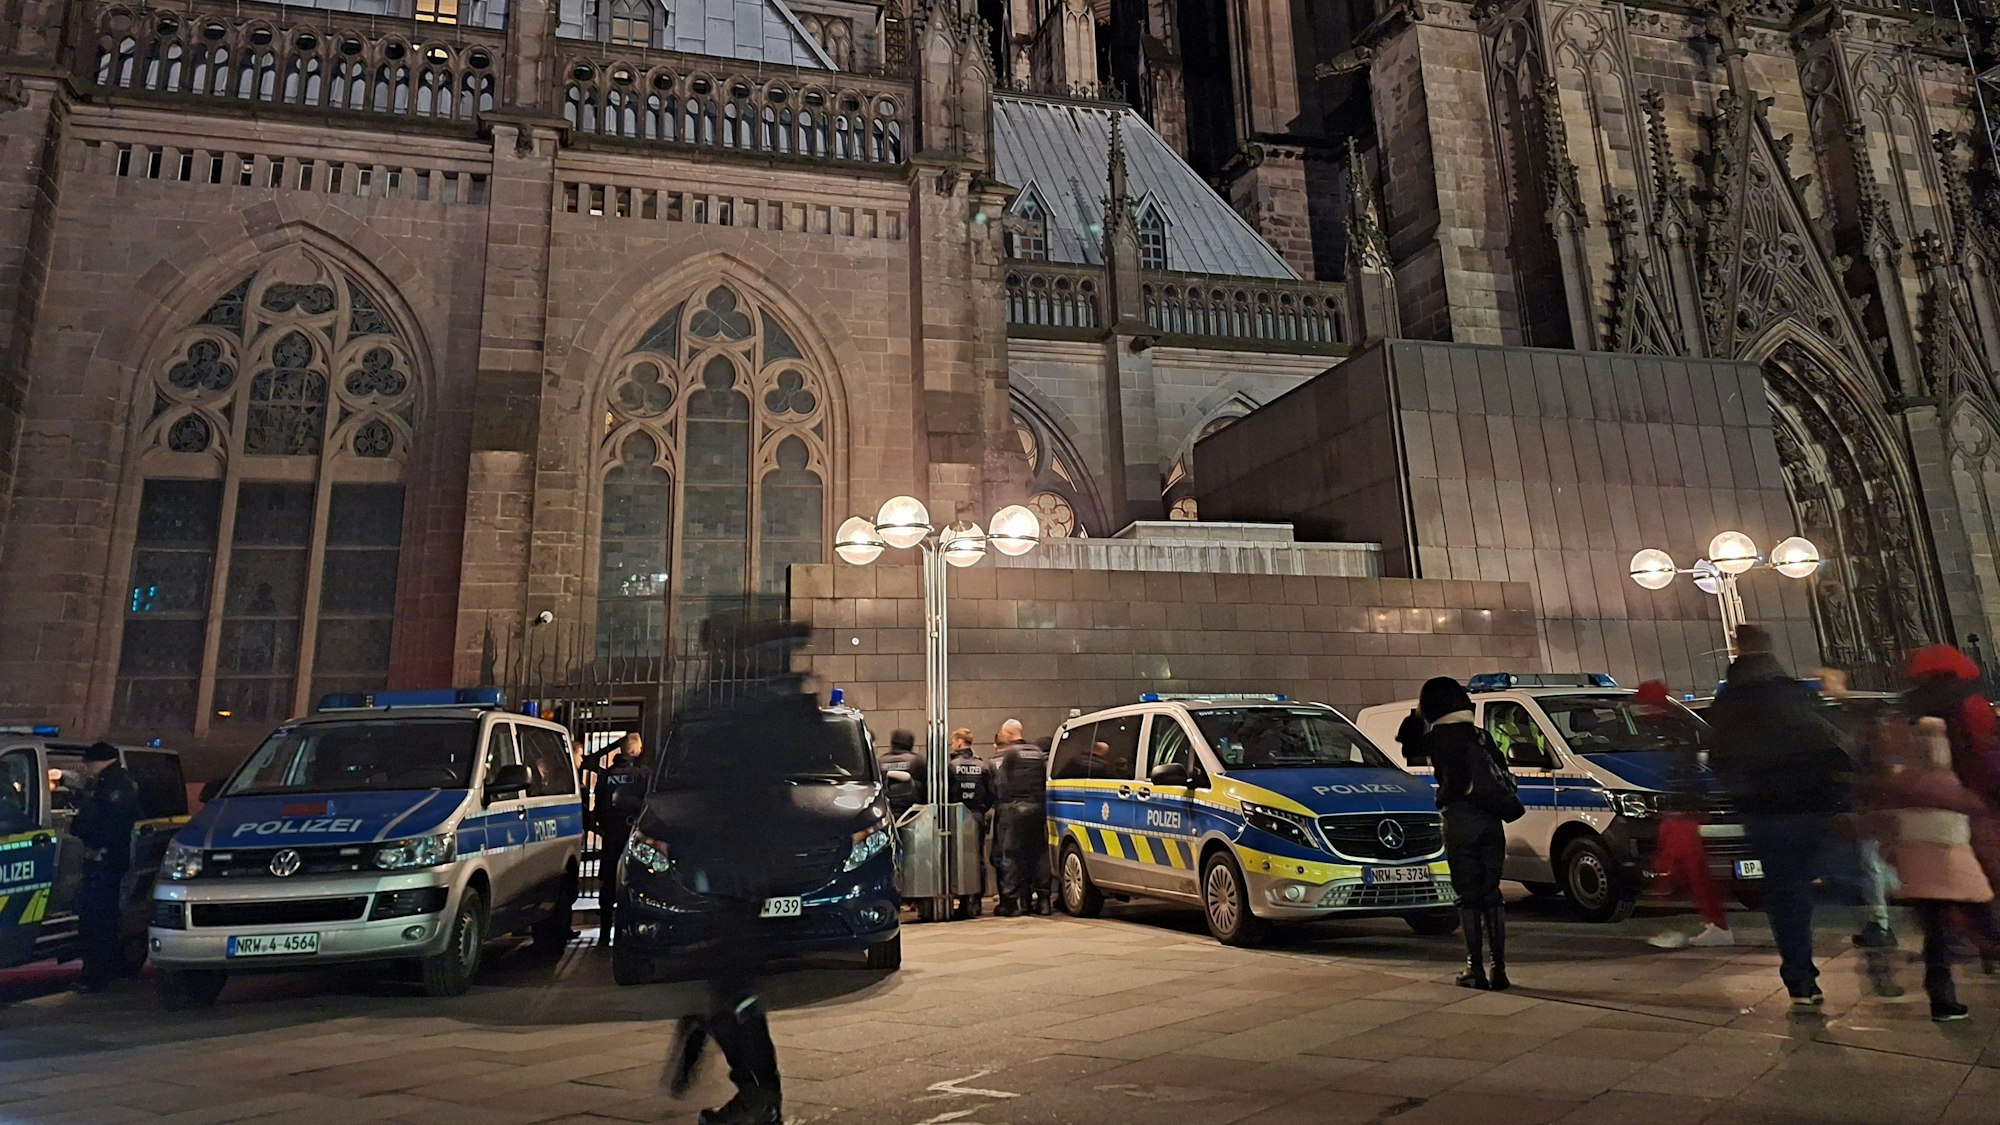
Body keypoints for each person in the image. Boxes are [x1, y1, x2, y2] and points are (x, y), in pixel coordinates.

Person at [661, 615, 837, 1125]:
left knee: (735, 993)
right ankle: (753, 1090)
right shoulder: (747, 705)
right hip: (732, 867)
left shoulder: (760, 708)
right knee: (731, 989)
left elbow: (751, 786)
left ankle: (758, 1097)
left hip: (742, 868)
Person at [1707, 624, 1851, 1007]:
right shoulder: (1794, 694)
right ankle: (1874, 928)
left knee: (1785, 891)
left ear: (1738, 652)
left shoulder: (1729, 703)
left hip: (1765, 810)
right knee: (1829, 875)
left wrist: (1742, 790)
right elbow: (1831, 742)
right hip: (1811, 803)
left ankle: (1801, 977)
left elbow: (1718, 757)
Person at [1871, 715, 1993, 1021]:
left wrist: (1893, 854)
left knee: (1936, 934)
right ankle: (1943, 994)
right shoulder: (1950, 778)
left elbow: (1888, 824)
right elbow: (1974, 807)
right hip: (1951, 861)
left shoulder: (1903, 779)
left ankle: (1941, 996)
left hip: (1916, 866)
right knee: (1985, 921)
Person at [1905, 644, 2000, 972]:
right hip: (1972, 799)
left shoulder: (1912, 709)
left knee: (1942, 883)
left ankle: (1948, 950)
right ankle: (1989, 941)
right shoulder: (1970, 705)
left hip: (1929, 806)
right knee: (1983, 874)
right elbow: (1986, 755)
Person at [1416, 677, 1513, 990]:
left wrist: (1441, 797)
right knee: (1492, 894)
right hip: (1492, 820)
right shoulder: (1481, 736)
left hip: (1461, 821)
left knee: (1467, 897)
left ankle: (1474, 968)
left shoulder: (1438, 738)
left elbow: (1451, 784)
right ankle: (1499, 969)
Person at [1638, 680, 1733, 950]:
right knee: (1683, 869)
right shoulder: (1678, 727)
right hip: (1685, 809)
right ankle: (1713, 924)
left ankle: (1716, 925)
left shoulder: (1664, 732)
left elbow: (1677, 771)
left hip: (1682, 811)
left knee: (1685, 869)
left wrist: (1676, 804)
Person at [70, 742, 140, 992]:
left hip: (105, 863)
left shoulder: (114, 786)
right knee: (101, 920)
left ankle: (95, 977)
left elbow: (99, 823)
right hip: (107, 862)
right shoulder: (113, 783)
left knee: (96, 921)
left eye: (88, 763)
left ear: (100, 761)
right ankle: (101, 972)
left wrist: (79, 825)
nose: (86, 768)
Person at [592, 733, 650, 948]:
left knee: (608, 883)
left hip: (610, 836)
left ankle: (604, 934)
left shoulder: (606, 776)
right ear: (635, 751)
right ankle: (629, 933)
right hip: (633, 835)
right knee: (635, 881)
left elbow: (598, 808)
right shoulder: (642, 775)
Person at [991, 722, 1049, 917]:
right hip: (1038, 808)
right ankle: (1043, 902)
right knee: (1039, 854)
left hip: (1013, 810)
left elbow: (1001, 782)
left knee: (1011, 855)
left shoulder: (1010, 753)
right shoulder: (1038, 752)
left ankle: (1010, 903)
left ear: (1008, 734)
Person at [948, 729, 993, 918]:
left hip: (956, 816)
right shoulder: (982, 765)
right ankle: (976, 901)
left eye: (953, 742)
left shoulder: (951, 766)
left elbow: (947, 792)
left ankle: (962, 900)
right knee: (978, 858)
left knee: (957, 858)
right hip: (977, 816)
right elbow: (991, 794)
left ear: (959, 742)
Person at [879, 729, 927, 815]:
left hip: (886, 809)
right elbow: (926, 788)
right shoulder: (918, 761)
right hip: (912, 811)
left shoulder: (880, 761)